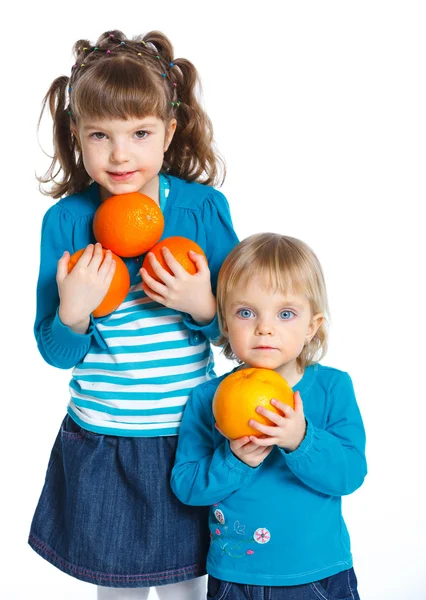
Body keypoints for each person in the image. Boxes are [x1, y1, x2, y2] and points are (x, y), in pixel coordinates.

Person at [29, 29, 239, 599]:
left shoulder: (200, 211)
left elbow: (245, 331)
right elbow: (53, 350)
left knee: (187, 587)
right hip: (103, 441)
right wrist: (71, 314)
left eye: (140, 133)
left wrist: (204, 307)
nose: (121, 154)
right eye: (100, 135)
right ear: (77, 137)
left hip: (187, 437)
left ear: (169, 134)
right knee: (116, 587)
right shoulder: (67, 223)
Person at [171, 233, 367, 599]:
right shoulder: (207, 398)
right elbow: (186, 486)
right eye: (246, 312)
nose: (264, 327)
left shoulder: (332, 389)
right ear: (225, 323)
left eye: (286, 313)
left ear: (312, 325)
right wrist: (234, 460)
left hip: (318, 575)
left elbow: (350, 475)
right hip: (235, 577)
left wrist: (301, 440)